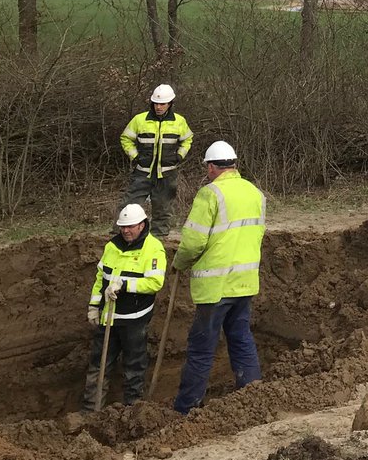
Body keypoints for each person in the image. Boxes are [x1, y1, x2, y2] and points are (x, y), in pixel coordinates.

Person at [172, 140, 266, 414]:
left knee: (201, 348)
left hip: (216, 286)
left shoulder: (210, 194)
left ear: (212, 167)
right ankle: (253, 395)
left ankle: (186, 408)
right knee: (241, 338)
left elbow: (193, 242)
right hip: (245, 283)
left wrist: (179, 262)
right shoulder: (255, 193)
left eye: (207, 168)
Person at [82, 204, 166, 408]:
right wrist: (94, 306)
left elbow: (155, 283)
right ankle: (91, 410)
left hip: (133, 320)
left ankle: (132, 409)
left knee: (134, 366)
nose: (126, 231)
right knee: (99, 364)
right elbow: (100, 278)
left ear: (142, 225)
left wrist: (125, 285)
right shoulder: (112, 246)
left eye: (130, 226)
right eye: (123, 227)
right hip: (108, 317)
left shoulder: (153, 248)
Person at [119, 84, 194, 239]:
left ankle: (159, 238)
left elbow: (188, 139)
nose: (158, 107)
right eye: (156, 103)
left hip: (167, 173)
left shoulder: (179, 121)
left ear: (170, 104)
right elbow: (126, 138)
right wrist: (135, 156)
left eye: (162, 104)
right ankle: (119, 235)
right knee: (129, 204)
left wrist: (179, 155)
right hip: (143, 171)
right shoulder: (139, 120)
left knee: (163, 207)